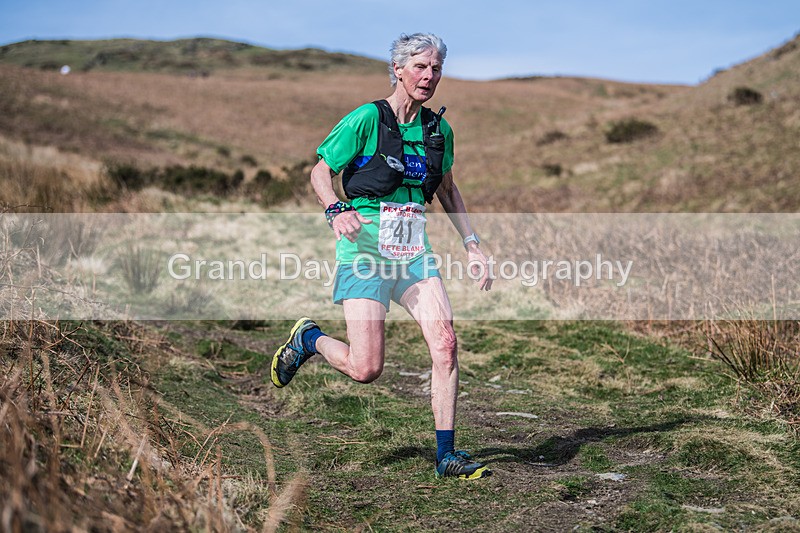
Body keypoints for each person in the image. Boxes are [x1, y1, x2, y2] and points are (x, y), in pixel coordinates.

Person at [271, 33, 493, 480]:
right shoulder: (367, 119)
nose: (429, 76)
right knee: (366, 367)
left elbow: (447, 188)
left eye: (435, 68)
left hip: (414, 252)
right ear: (398, 69)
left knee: (446, 344)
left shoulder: (438, 130)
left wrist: (472, 242)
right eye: (420, 67)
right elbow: (320, 171)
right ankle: (309, 340)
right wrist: (335, 208)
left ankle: (446, 455)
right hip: (365, 250)